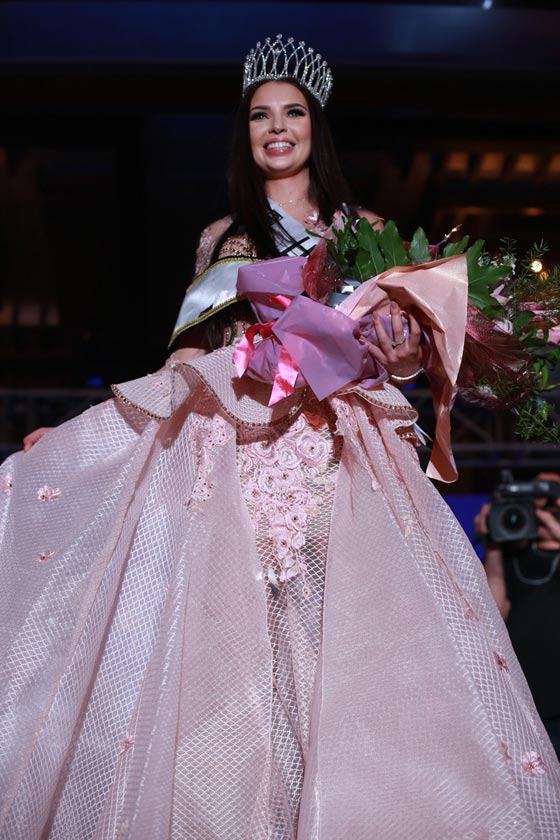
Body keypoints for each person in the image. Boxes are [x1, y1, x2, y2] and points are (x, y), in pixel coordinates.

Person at [1, 34, 559, 840]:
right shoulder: (226, 238)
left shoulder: (366, 232)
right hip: (247, 449)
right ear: (246, 132)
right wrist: (98, 426)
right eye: (260, 116)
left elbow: (397, 358)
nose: (276, 128)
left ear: (314, 127)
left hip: (343, 452)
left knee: (357, 640)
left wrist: (403, 349)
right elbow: (188, 355)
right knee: (241, 648)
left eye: (291, 113)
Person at [475, 472, 560, 759]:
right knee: (538, 785)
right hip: (527, 708)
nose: (542, 511)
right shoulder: (510, 559)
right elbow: (493, 614)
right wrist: (494, 545)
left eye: (551, 504)